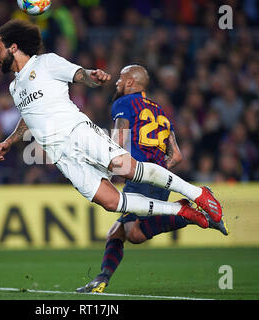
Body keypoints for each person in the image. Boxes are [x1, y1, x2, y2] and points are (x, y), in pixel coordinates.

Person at [0, 20, 223, 241]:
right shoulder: (14, 86)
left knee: (128, 169)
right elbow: (29, 116)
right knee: (111, 202)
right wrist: (10, 141)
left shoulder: (45, 63)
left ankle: (198, 194)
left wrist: (94, 76)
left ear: (13, 47)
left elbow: (81, 74)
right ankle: (181, 211)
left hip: (76, 132)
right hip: (60, 155)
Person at [76, 65, 228, 293]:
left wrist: (104, 166)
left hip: (139, 175)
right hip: (160, 177)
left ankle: (191, 214)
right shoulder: (161, 111)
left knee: (133, 233)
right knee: (121, 232)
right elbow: (176, 155)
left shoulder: (123, 104)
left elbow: (117, 142)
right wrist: (157, 171)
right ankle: (102, 278)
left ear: (130, 83)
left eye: (120, 78)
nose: (116, 82)